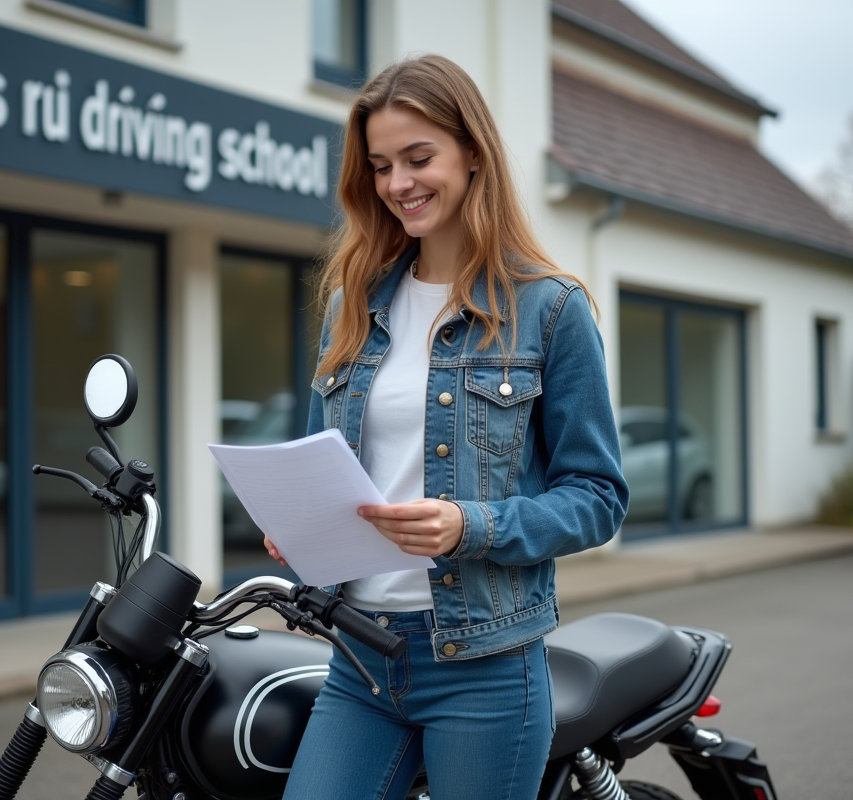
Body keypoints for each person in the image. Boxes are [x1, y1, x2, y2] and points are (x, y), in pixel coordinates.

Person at [265, 54, 627, 800]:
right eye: (381, 165)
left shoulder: (549, 310)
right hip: (360, 660)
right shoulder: (351, 305)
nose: (399, 183)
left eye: (418, 157)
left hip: (486, 666)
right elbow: (322, 461)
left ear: (472, 153)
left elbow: (598, 496)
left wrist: (472, 525)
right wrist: (300, 529)